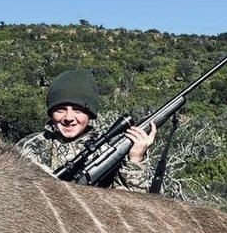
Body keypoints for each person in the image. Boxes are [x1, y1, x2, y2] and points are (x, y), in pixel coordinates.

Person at [15, 68, 156, 191]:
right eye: (60, 110)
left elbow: (130, 204)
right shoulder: (27, 148)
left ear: (90, 114)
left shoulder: (109, 149)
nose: (68, 117)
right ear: (51, 112)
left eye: (78, 111)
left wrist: (136, 159)